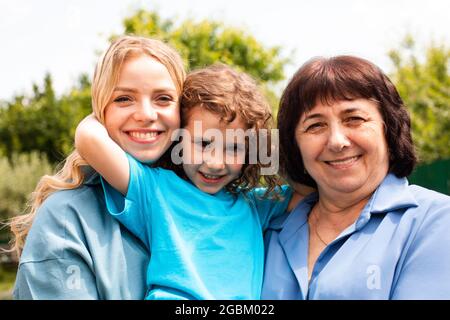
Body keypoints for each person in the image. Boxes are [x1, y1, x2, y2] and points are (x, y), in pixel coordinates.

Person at [75, 64, 301, 300]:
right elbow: (88, 138)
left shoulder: (255, 204)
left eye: (234, 148)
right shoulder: (155, 188)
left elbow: (313, 187)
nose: (215, 163)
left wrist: (271, 143)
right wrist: (112, 107)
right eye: (202, 144)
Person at [9, 35, 186, 299]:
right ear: (99, 111)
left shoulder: (204, 202)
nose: (146, 114)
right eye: (124, 99)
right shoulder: (65, 219)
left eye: (163, 98)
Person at [261, 55, 450, 299]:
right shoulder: (268, 226)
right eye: (316, 125)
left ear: (388, 128)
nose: (337, 141)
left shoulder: (435, 221)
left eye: (354, 119)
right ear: (295, 144)